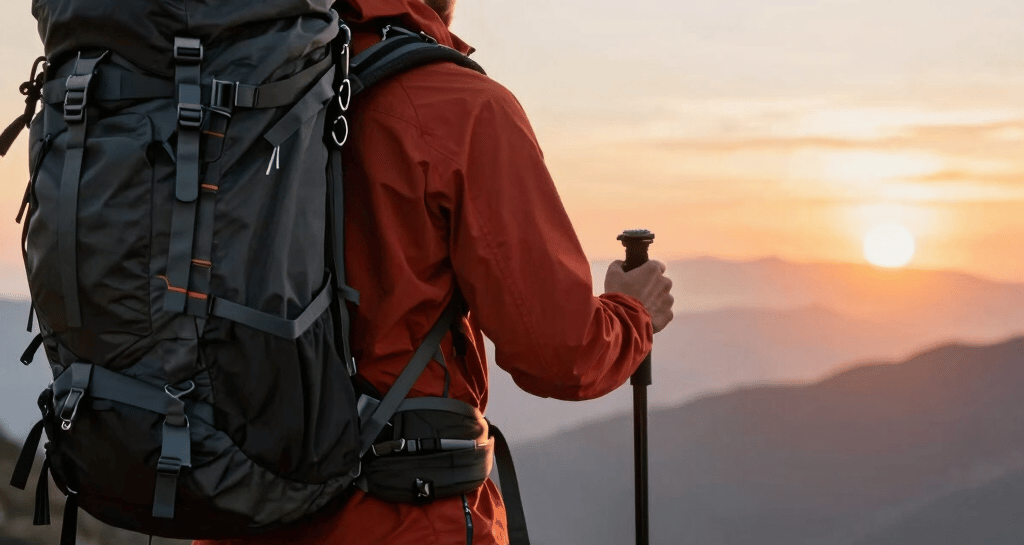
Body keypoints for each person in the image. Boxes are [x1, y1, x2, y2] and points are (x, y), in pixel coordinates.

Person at [196, 0, 674, 543]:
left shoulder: (228, 93)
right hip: (403, 514)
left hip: (235, 504)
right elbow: (560, 355)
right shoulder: (460, 107)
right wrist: (633, 312)